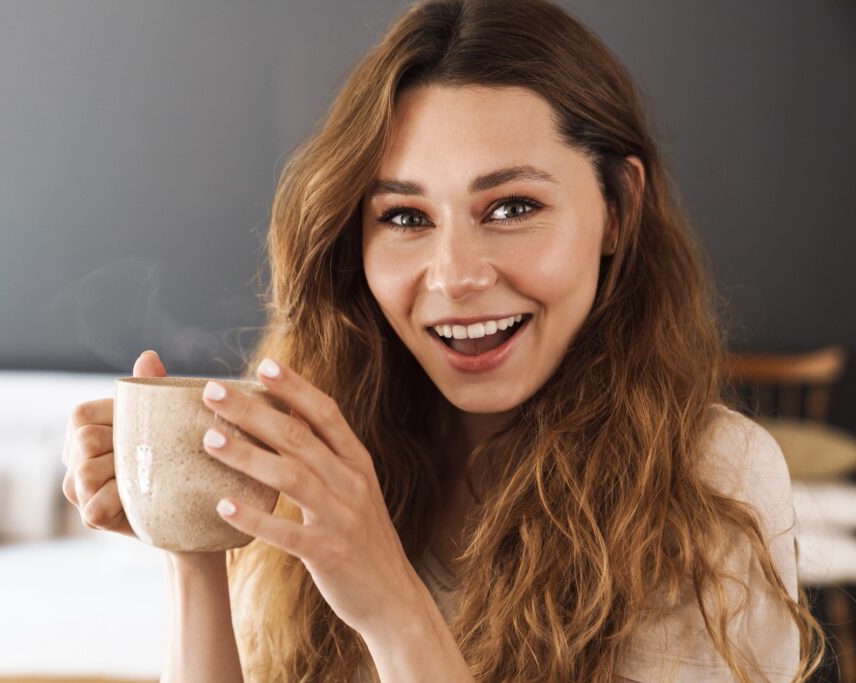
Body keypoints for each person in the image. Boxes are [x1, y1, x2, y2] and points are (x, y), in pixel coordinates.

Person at [60, 0, 828, 680]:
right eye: (405, 217)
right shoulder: (326, 458)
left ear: (618, 208)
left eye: (511, 207)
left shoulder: (711, 484)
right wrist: (193, 549)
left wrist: (392, 604)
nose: (454, 275)